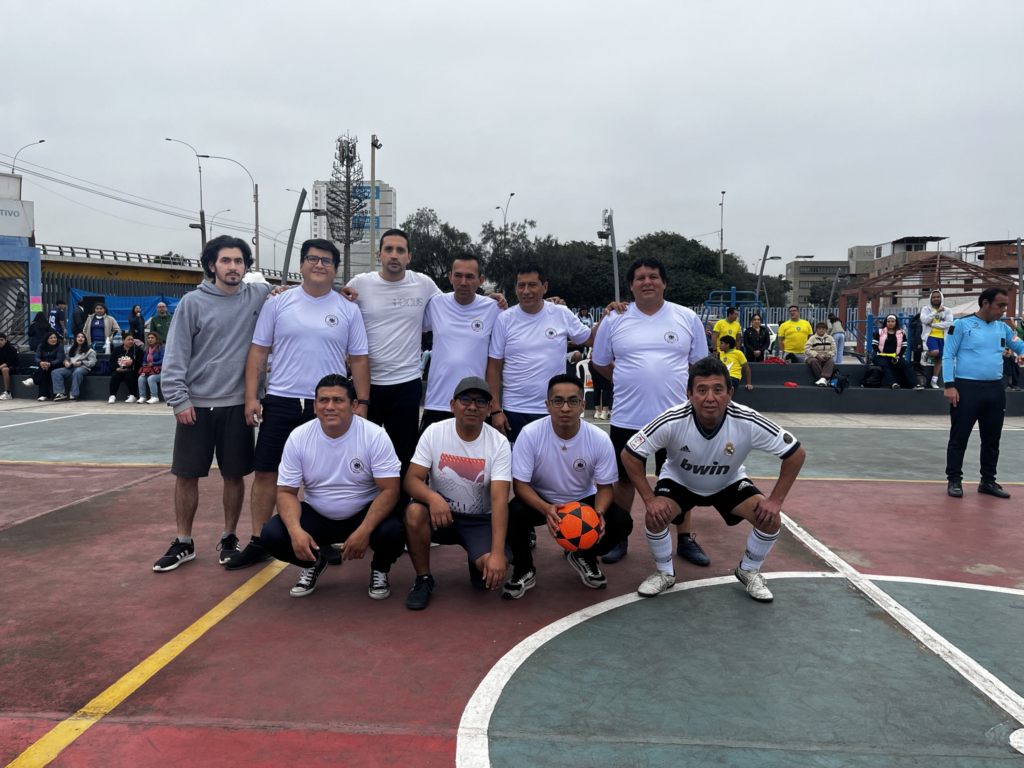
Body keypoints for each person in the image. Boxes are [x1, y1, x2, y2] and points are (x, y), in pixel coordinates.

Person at [620, 357, 806, 602]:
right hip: (680, 482)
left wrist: (776, 500)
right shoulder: (672, 420)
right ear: (689, 394)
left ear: (730, 393)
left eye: (718, 390)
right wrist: (649, 499)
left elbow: (795, 454)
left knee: (770, 520)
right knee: (655, 517)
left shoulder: (747, 420)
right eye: (702, 390)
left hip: (728, 482)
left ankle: (749, 570)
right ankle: (665, 573)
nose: (710, 398)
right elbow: (630, 454)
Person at [241, 239, 370, 571]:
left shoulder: (348, 309)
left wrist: (362, 403)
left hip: (329, 405)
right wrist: (251, 396)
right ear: (301, 265)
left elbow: (358, 359)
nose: (319, 265)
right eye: (312, 259)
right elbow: (259, 351)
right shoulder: (278, 302)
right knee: (266, 471)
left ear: (336, 270)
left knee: (323, 474)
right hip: (282, 398)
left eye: (327, 261)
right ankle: (258, 540)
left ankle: (320, 538)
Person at [154, 235, 276, 573]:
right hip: (196, 405)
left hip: (238, 405)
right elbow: (175, 354)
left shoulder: (259, 295)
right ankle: (183, 541)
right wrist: (178, 399)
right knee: (186, 475)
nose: (233, 267)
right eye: (226, 261)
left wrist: (345, 292)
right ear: (212, 265)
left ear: (246, 267)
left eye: (239, 261)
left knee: (234, 476)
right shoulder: (192, 303)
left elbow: (303, 291)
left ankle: (229, 537)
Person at [591, 256, 708, 566]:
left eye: (653, 276)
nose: (647, 282)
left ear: (664, 282)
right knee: (624, 480)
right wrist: (627, 379)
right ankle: (619, 537)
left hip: (676, 418)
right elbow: (599, 363)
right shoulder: (614, 319)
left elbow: (699, 366)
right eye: (640, 278)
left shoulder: (686, 317)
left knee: (680, 478)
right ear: (631, 285)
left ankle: (685, 538)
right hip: (628, 417)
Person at [260, 374, 404, 600]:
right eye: (323, 400)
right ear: (314, 405)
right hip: (318, 514)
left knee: (394, 531)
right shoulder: (299, 437)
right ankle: (314, 563)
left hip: (363, 512)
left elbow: (390, 491)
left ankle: (380, 568)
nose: (330, 407)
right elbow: (286, 492)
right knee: (272, 534)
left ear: (353, 405)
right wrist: (296, 531)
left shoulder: (374, 435)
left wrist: (365, 530)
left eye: (338, 400)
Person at [504, 374, 633, 599]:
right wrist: (545, 508)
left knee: (622, 522)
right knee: (512, 513)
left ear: (583, 405)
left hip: (583, 500)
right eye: (558, 401)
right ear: (547, 405)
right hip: (542, 499)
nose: (565, 408)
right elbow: (520, 485)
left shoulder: (599, 438)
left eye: (573, 401)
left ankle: (584, 555)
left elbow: (605, 487)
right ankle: (524, 569)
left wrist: (599, 513)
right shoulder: (531, 434)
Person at [403, 376, 512, 610]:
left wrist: (496, 553)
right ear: (453, 405)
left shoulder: (499, 443)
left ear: (489, 409)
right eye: (465, 400)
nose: (472, 407)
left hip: (478, 520)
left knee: (494, 566)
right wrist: (433, 498)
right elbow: (411, 480)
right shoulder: (435, 432)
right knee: (414, 512)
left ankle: (477, 558)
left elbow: (500, 499)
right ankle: (423, 578)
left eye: (480, 402)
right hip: (440, 517)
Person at [487, 263, 607, 444]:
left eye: (532, 285)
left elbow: (590, 339)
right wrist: (496, 410)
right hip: (515, 409)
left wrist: (607, 315)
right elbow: (494, 368)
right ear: (515, 288)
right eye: (521, 285)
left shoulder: (561, 313)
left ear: (545, 287)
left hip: (553, 408)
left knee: (555, 461)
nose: (526, 291)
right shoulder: (504, 319)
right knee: (516, 462)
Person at [943, 287, 1024, 499]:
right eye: (1000, 305)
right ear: (985, 303)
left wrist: (1022, 353)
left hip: (995, 389)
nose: (1004, 310)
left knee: (992, 439)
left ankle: (988, 481)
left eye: (1006, 305)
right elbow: (947, 355)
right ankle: (954, 480)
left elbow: (1019, 345)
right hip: (966, 388)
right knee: (959, 437)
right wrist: (949, 385)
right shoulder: (961, 325)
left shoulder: (1003, 328)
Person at [419, 254, 503, 431]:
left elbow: (520, 319)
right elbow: (406, 321)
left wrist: (550, 305)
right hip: (438, 401)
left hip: (475, 403)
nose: (463, 282)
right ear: (450, 277)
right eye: (458, 275)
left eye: (470, 277)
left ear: (480, 280)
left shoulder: (493, 308)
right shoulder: (436, 304)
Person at [872, 315, 921, 390]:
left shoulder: (901, 333)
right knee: (884, 365)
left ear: (896, 322)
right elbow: (874, 344)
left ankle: (915, 384)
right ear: (886, 322)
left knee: (906, 365)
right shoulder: (880, 332)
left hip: (895, 356)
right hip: (881, 356)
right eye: (888, 321)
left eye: (892, 321)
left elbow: (904, 345)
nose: (890, 323)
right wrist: (879, 353)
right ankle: (893, 383)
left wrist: (899, 356)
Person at [921, 290, 953, 389]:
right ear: (930, 298)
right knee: (935, 352)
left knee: (939, 359)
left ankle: (934, 381)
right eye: (934, 297)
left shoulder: (947, 310)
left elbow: (949, 323)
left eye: (938, 297)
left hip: (943, 337)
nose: (936, 299)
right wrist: (936, 311)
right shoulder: (926, 309)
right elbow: (924, 320)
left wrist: (933, 325)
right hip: (930, 336)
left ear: (941, 298)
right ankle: (925, 354)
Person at [52, 332, 96, 401]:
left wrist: (81, 362)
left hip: (83, 367)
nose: (80, 338)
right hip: (71, 367)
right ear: (75, 339)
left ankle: (74, 394)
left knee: (77, 372)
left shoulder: (90, 351)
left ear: (85, 339)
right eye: (78, 337)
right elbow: (66, 359)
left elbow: (92, 363)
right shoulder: (70, 349)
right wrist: (65, 362)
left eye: (82, 337)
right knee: (55, 372)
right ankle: (60, 393)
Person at [22, 332, 64, 401]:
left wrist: (50, 364)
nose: (53, 339)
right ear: (47, 339)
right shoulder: (41, 346)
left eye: (55, 338)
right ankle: (43, 395)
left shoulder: (59, 347)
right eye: (51, 338)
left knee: (43, 370)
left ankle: (33, 380)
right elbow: (37, 357)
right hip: (44, 365)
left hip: (55, 366)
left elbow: (60, 359)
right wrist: (40, 362)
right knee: (44, 371)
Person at [108, 332, 143, 404]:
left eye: (132, 339)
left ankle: (133, 395)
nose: (130, 341)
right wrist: (116, 368)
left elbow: (141, 361)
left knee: (130, 376)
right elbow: (111, 361)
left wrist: (132, 361)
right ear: (123, 340)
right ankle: (112, 396)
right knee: (115, 376)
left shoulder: (137, 349)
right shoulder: (117, 349)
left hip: (132, 370)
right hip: (119, 369)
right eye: (128, 339)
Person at [804, 322, 837, 386]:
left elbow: (834, 350)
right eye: (819, 328)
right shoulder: (812, 338)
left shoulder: (830, 338)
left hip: (826, 356)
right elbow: (807, 349)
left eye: (823, 328)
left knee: (831, 361)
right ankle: (824, 378)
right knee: (813, 361)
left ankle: (823, 379)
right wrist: (816, 355)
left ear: (826, 330)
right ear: (816, 330)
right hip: (813, 357)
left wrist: (828, 355)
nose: (821, 330)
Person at [137, 331, 165, 404]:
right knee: (141, 378)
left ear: (157, 339)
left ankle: (154, 397)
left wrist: (153, 364)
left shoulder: (162, 347)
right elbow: (144, 359)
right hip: (150, 370)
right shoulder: (147, 348)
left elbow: (163, 360)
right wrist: (144, 364)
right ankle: (142, 397)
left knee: (151, 379)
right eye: (149, 338)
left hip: (161, 370)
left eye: (152, 338)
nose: (150, 339)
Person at [0, 332, 17, 400]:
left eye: (1, 340)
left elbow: (9, 362)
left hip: (13, 367)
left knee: (4, 369)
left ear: (5, 340)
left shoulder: (11, 348)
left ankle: (7, 392)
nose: (0, 342)